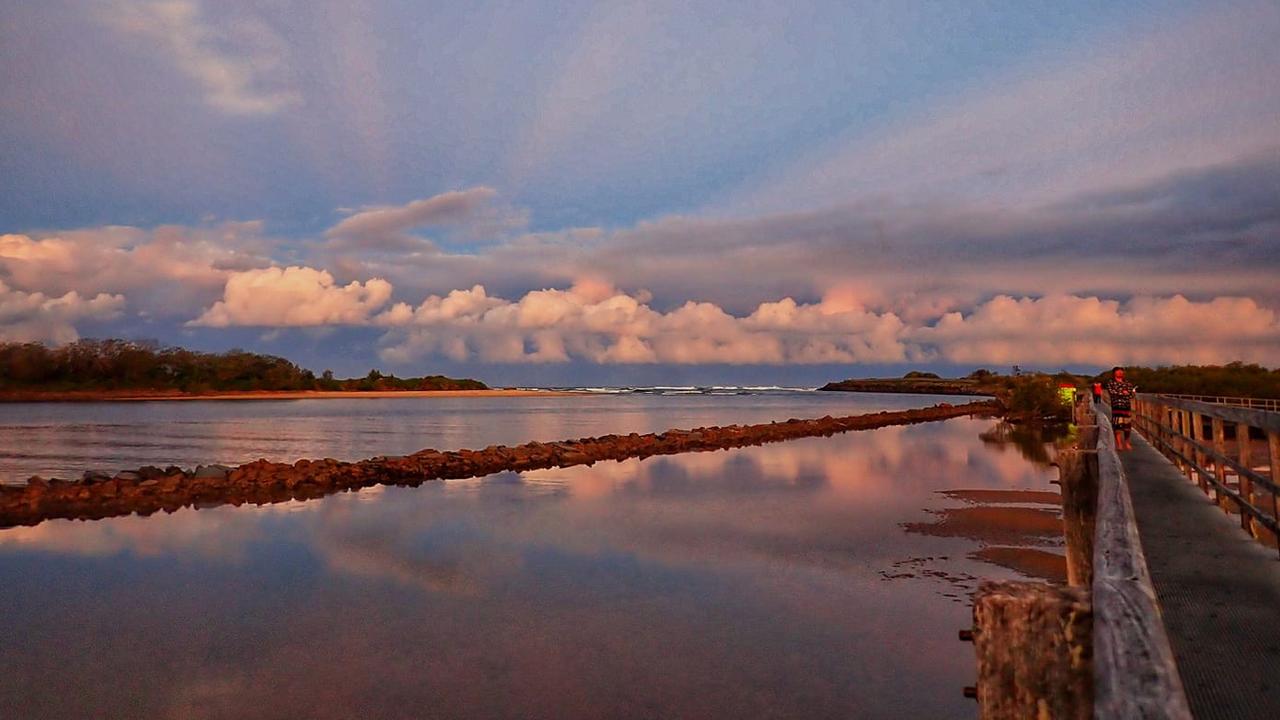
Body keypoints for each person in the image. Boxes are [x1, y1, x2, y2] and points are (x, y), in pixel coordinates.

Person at [1105, 367, 1137, 451]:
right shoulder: (1111, 383)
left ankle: (1127, 442)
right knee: (1117, 427)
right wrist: (1123, 392)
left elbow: (1131, 395)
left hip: (1126, 407)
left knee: (1127, 427)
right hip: (1116, 407)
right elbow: (1112, 393)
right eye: (1118, 371)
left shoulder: (1128, 383)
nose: (1120, 373)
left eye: (1121, 372)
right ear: (1114, 373)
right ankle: (1119, 444)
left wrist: (1125, 393)